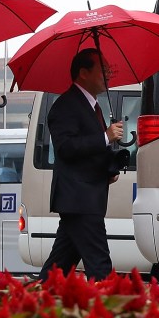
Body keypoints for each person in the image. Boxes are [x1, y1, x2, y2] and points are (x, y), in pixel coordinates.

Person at [38, 49, 125, 280]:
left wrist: (109, 168)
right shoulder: (65, 106)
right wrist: (105, 136)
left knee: (58, 268)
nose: (108, 74)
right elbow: (66, 147)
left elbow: (89, 152)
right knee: (99, 264)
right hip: (79, 197)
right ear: (84, 73)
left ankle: (33, 306)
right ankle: (108, 309)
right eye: (103, 69)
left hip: (85, 196)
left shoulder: (93, 106)